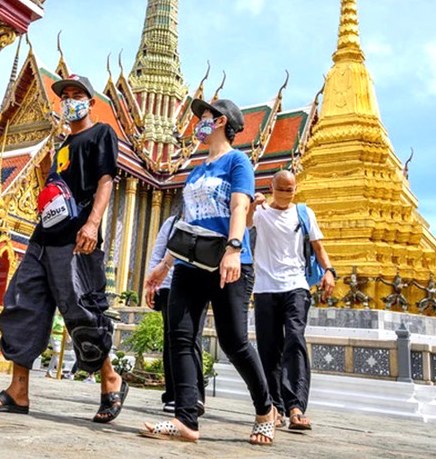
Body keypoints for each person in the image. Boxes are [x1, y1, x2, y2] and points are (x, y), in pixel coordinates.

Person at [0, 75, 128, 423]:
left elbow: (106, 181)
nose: (69, 100)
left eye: (77, 96)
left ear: (90, 103)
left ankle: (110, 379)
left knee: (82, 312)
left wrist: (93, 224)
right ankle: (18, 391)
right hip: (42, 239)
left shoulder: (101, 134)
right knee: (22, 304)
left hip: (77, 240)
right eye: (65, 95)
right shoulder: (61, 145)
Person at [142, 98, 276, 445]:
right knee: (181, 335)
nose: (197, 123)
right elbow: (188, 222)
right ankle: (186, 419)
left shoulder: (237, 161)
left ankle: (265, 409)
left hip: (228, 262)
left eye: (203, 117)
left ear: (219, 122)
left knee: (234, 342)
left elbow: (240, 205)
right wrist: (164, 264)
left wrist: (234, 248)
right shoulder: (198, 168)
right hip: (189, 262)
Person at [248, 170, 336, 430]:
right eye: (281, 189)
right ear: (271, 187)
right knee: (268, 348)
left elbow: (318, 247)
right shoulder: (261, 213)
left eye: (291, 189)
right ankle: (274, 407)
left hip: (296, 286)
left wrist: (329, 271)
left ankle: (295, 406)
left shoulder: (304, 213)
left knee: (295, 340)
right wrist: (254, 204)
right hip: (265, 288)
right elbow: (245, 223)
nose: (286, 194)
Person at [144, 216, 206, 416]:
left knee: (192, 337)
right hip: (169, 285)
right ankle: (172, 394)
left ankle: (194, 395)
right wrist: (153, 282)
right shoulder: (171, 223)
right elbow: (158, 252)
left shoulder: (208, 221)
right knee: (172, 338)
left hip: (199, 282)